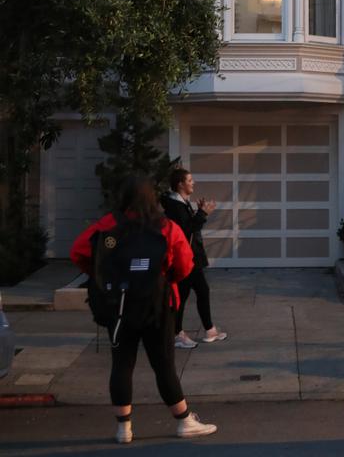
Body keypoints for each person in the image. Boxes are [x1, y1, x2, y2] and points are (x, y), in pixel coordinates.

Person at [70, 175, 217, 444]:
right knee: (163, 365)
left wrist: (103, 276)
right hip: (158, 306)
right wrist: (166, 279)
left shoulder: (107, 225)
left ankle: (123, 429)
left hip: (120, 305)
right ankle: (184, 421)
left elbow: (78, 252)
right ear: (151, 198)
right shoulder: (166, 227)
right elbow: (185, 264)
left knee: (121, 365)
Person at [161, 168, 227, 348]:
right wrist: (203, 213)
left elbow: (189, 227)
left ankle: (209, 330)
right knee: (184, 295)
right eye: (190, 180)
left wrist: (198, 211)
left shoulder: (181, 203)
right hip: (184, 258)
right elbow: (186, 229)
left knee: (198, 292)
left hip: (190, 257)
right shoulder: (175, 205)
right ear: (180, 184)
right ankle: (177, 334)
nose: (193, 183)